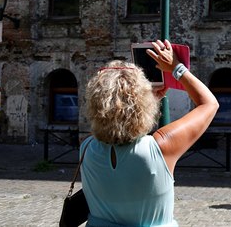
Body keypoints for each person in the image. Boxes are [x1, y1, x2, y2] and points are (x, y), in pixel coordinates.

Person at [80, 39, 220, 226]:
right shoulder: (160, 148)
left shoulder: (86, 148)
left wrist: (147, 102)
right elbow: (209, 104)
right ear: (141, 104)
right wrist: (177, 68)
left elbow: (115, 128)